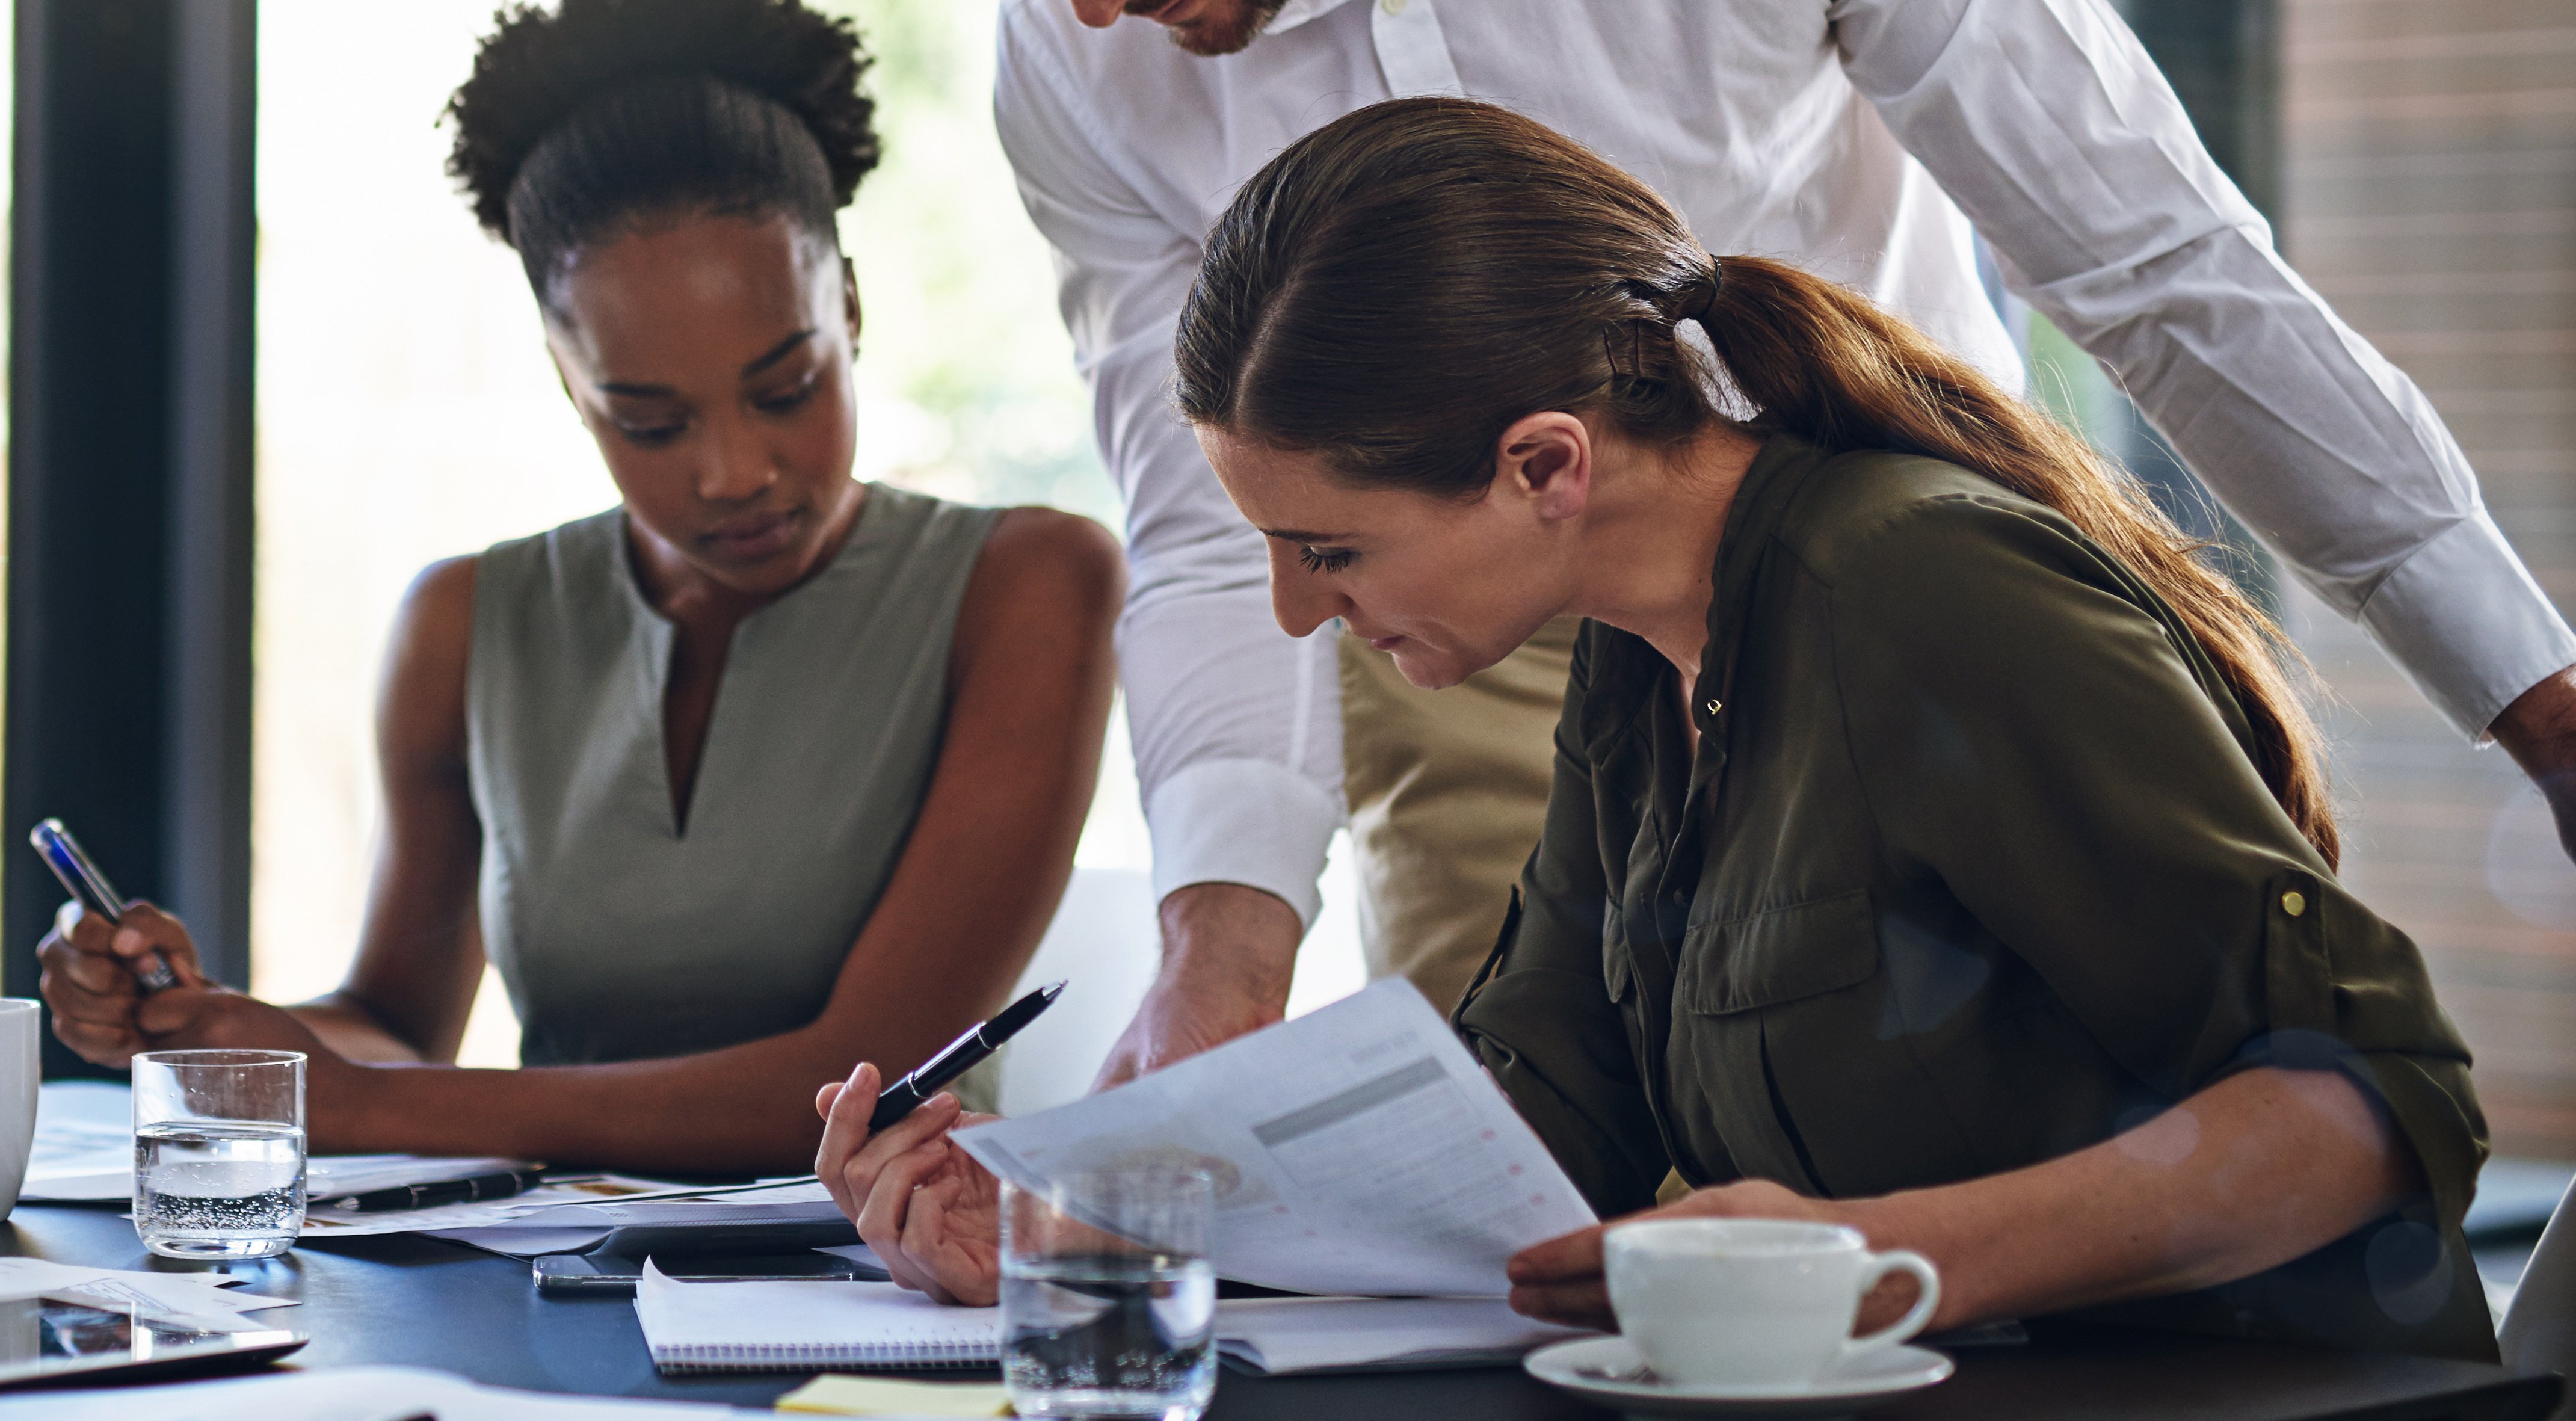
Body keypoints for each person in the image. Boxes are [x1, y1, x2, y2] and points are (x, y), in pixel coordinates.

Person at [857, 0, 2576, 1080]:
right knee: (1500, 1226)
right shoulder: (1076, 55)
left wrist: (2535, 696)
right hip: (1454, 628)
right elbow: (1211, 524)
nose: (1088, 1)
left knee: (1984, 1166)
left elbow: (2149, 258)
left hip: (1881, 578)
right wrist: (1218, 955)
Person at [816, 97, 2491, 1361]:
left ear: (1546, 465)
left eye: (1327, 548)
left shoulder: (1920, 591)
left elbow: (2367, 1103)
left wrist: (1877, 1256)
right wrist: (1091, 1230)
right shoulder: (1634, 658)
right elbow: (1530, 1138)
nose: (1293, 613)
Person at [37, 0, 1120, 1175]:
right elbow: (394, 1031)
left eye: (784, 388)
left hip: (884, 1298)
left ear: (851, 310)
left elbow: (857, 1082)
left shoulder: (1027, 585)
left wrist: (360, 1108)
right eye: (649, 421)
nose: (733, 471)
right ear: (567, 382)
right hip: (533, 1287)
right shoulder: (464, 623)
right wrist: (214, 1030)